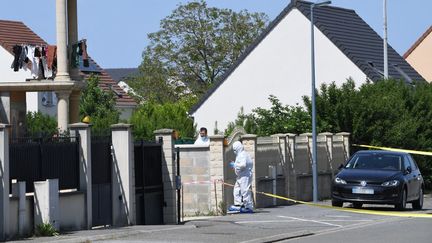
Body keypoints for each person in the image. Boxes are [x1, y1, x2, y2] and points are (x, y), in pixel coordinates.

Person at [228, 141, 254, 213]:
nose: (234, 151)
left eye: (235, 150)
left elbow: (243, 165)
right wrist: (235, 166)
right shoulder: (241, 154)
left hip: (244, 176)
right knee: (236, 189)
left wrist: (234, 165)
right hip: (241, 176)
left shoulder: (242, 155)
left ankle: (248, 206)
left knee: (245, 191)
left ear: (238, 148)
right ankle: (238, 204)